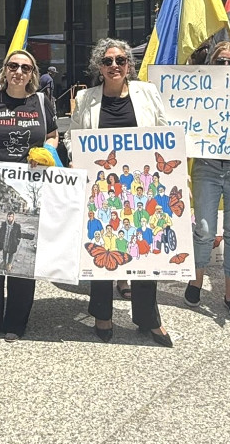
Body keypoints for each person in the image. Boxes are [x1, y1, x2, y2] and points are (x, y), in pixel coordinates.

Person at [69, 38, 173, 347]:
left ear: (129, 64)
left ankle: (148, 317)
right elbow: (73, 136)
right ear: (99, 67)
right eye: (108, 61)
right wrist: (75, 157)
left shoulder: (147, 93)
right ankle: (102, 314)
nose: (114, 65)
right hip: (101, 189)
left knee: (144, 248)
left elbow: (164, 132)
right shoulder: (85, 98)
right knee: (104, 245)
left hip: (141, 187)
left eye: (120, 60)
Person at [0, 49, 57, 342]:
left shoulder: (41, 102)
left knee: (22, 257)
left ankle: (16, 321)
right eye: (13, 66)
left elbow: (53, 135)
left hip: (30, 187)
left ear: (32, 73)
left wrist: (46, 153)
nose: (19, 72)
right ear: (5, 70)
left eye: (25, 68)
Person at [185, 42, 230, 320]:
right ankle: (196, 282)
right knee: (203, 229)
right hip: (207, 164)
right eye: (220, 61)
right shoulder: (200, 90)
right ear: (211, 64)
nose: (225, 66)